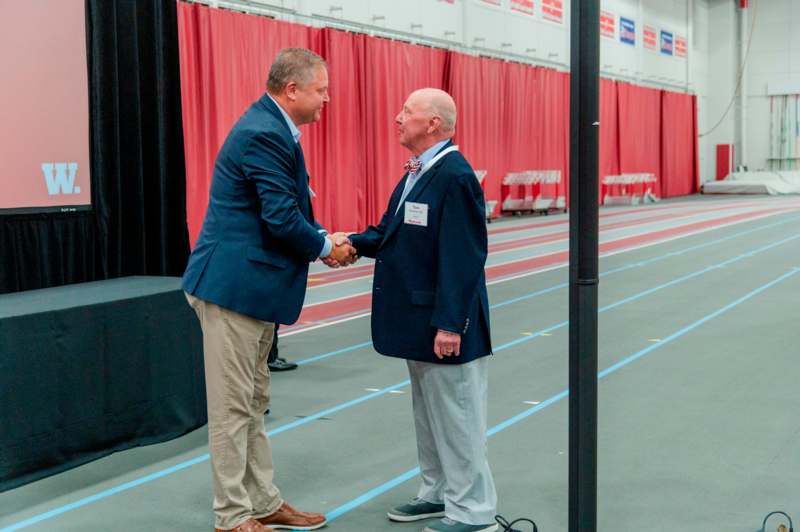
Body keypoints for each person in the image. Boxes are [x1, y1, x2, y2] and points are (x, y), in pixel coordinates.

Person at [182, 48, 355, 532]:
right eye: (321, 90)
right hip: (232, 289)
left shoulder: (275, 129)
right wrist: (326, 245)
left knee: (254, 402)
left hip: (252, 290)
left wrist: (323, 237)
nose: (327, 99)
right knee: (234, 407)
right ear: (292, 89)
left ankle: (262, 502)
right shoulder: (263, 133)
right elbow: (280, 218)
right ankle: (232, 516)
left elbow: (285, 208)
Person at [340, 88, 497, 532]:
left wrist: (450, 323)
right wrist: (351, 242)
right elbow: (393, 231)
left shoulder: (455, 176)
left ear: (433, 124)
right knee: (429, 415)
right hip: (417, 319)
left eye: (407, 111)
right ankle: (437, 492)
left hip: (445, 325)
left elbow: (464, 257)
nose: (397, 117)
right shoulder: (419, 171)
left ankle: (473, 511)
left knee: (458, 416)